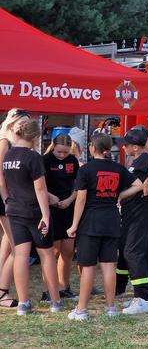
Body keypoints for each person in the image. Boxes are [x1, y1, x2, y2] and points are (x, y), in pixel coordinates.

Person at [66, 133, 147, 321]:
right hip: (111, 221)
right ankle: (111, 308)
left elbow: (81, 199)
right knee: (109, 266)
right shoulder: (118, 168)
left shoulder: (86, 170)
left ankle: (81, 310)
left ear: (92, 147)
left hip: (90, 223)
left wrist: (74, 225)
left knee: (88, 267)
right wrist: (120, 196)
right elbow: (139, 184)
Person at [0, 119, 63, 315]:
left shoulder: (8, 155)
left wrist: (7, 201)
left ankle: (23, 304)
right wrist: (46, 215)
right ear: (36, 137)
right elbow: (40, 188)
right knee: (47, 255)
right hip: (35, 212)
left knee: (20, 255)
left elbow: (5, 183)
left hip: (15, 211)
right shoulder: (33, 157)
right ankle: (55, 301)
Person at [116, 127, 148, 315]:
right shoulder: (139, 160)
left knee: (132, 251)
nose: (123, 148)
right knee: (145, 251)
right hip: (146, 212)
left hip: (140, 214)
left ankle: (143, 297)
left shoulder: (144, 159)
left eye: (126, 145)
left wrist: (146, 183)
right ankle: (145, 294)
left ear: (135, 148)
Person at [41, 134, 79, 301]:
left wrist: (70, 200)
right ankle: (48, 290)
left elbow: (78, 185)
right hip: (51, 209)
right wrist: (51, 198)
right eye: (59, 152)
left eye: (65, 152)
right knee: (53, 251)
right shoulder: (45, 160)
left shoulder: (73, 161)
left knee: (68, 250)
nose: (62, 155)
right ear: (53, 146)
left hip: (68, 208)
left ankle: (64, 286)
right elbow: (38, 185)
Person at [0, 108, 31, 308]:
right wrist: (6, 199)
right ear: (13, 124)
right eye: (23, 123)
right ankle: (2, 293)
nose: (26, 127)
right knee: (16, 245)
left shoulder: (16, 143)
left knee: (7, 246)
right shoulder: (5, 142)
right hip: (6, 199)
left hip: (11, 198)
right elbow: (0, 175)